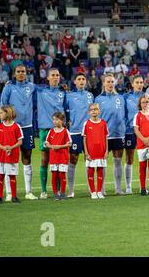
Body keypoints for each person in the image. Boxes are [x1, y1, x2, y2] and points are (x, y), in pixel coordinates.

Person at [0, 64, 38, 200]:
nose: (21, 73)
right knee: (9, 158)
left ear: (26, 73)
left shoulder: (32, 87)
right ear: (14, 73)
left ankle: (29, 191)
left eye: (23, 71)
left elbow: (42, 95)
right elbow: (3, 106)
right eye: (18, 71)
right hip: (12, 127)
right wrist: (4, 125)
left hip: (27, 127)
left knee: (27, 156)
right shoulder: (9, 87)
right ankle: (9, 193)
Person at [36, 68, 66, 199]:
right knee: (44, 160)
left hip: (60, 130)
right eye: (53, 75)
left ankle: (58, 191)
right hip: (45, 130)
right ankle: (43, 190)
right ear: (47, 78)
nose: (55, 77)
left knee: (59, 161)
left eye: (57, 75)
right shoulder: (40, 91)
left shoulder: (63, 92)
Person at [95, 73, 126, 195]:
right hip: (104, 135)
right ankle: (101, 189)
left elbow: (124, 115)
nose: (110, 84)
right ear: (103, 83)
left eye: (112, 82)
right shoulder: (98, 99)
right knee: (102, 162)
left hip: (118, 134)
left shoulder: (121, 98)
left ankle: (118, 189)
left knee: (118, 161)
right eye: (108, 82)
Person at [64, 73, 94, 198]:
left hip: (89, 131)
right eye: (79, 79)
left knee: (89, 159)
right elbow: (64, 109)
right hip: (75, 131)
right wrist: (67, 121)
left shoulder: (90, 95)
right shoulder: (69, 96)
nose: (81, 81)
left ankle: (91, 188)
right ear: (75, 82)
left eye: (83, 79)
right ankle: (71, 190)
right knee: (73, 159)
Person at [0, 105, 23, 204]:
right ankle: (0, 197)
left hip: (12, 156)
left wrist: (11, 147)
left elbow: (20, 141)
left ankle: (14, 197)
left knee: (12, 176)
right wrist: (3, 148)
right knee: (0, 175)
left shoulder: (16, 126)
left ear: (7, 113)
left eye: (1, 113)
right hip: (1, 156)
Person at [123, 75, 145, 194]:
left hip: (144, 132)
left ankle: (144, 185)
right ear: (132, 84)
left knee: (145, 158)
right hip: (130, 131)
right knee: (129, 158)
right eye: (137, 82)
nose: (139, 84)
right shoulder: (125, 97)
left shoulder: (147, 97)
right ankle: (128, 186)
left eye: (141, 82)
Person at [83, 103, 108, 199]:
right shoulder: (87, 123)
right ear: (89, 112)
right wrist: (86, 152)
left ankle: (99, 191)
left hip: (101, 152)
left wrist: (106, 151)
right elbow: (84, 139)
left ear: (99, 111)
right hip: (91, 153)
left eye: (96, 109)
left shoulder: (103, 123)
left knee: (100, 171)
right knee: (91, 171)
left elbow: (106, 138)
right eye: (92, 109)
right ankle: (93, 191)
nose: (94, 111)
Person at [44, 112, 72, 200]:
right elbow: (46, 143)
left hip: (63, 158)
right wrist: (52, 146)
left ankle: (63, 193)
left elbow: (69, 143)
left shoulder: (65, 131)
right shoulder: (51, 131)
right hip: (53, 158)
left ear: (62, 121)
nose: (55, 121)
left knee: (62, 175)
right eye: (54, 119)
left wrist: (59, 146)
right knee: (54, 176)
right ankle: (55, 193)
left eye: (57, 119)